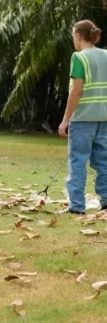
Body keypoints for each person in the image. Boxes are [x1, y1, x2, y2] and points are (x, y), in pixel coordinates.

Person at [58, 20, 107, 214]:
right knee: (104, 163)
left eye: (73, 35)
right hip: (103, 119)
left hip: (82, 120)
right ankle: (106, 201)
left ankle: (77, 205)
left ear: (79, 35)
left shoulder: (79, 58)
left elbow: (76, 91)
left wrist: (65, 120)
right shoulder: (105, 55)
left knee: (78, 162)